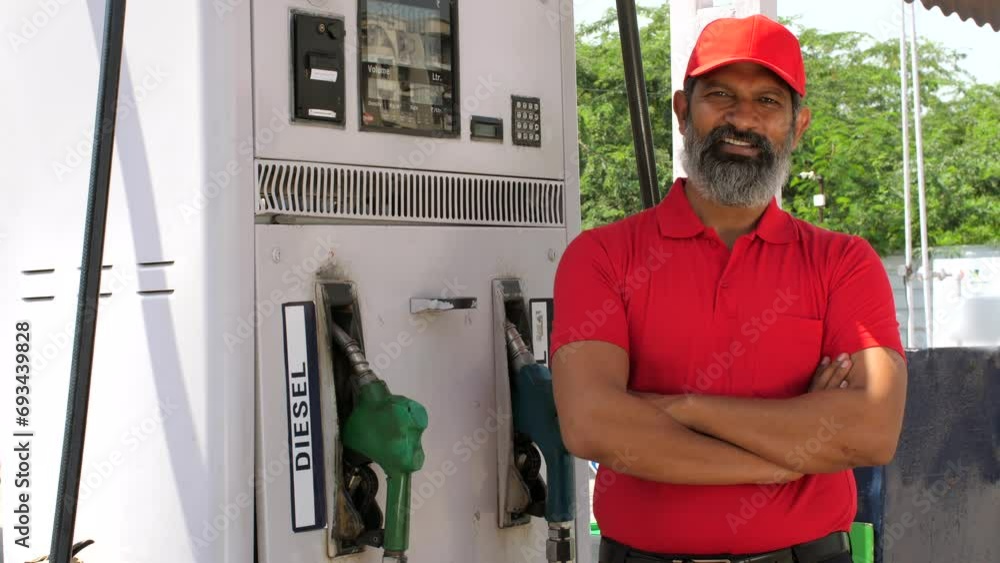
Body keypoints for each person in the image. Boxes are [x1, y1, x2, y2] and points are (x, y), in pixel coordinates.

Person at [550, 14, 907, 563]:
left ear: (798, 126)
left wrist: (686, 407)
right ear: (681, 111)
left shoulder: (843, 263)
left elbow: (871, 431)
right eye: (720, 94)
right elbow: (593, 426)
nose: (743, 118)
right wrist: (791, 457)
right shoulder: (601, 257)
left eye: (768, 101)